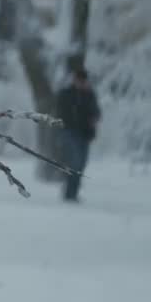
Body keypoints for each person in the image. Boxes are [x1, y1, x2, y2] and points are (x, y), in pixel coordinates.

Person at [55, 68, 100, 202]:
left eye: (84, 81)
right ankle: (69, 193)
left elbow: (96, 112)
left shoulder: (90, 95)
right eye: (80, 81)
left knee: (81, 164)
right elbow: (63, 113)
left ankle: (73, 193)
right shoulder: (66, 94)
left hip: (85, 134)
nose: (82, 83)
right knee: (75, 162)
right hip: (70, 132)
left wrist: (93, 119)